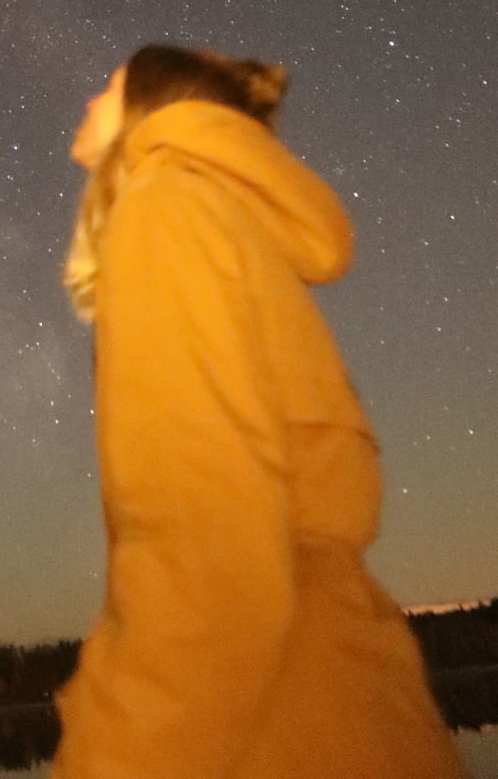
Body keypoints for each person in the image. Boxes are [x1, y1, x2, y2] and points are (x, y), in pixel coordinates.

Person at [51, 43, 464, 779]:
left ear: (151, 104)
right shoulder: (224, 221)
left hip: (267, 727)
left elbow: (205, 543)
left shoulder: (165, 209)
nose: (87, 101)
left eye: (107, 85)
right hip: (349, 699)